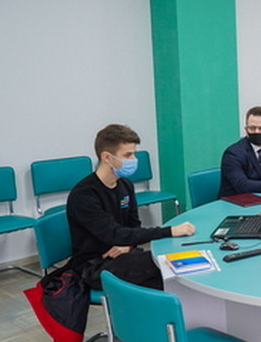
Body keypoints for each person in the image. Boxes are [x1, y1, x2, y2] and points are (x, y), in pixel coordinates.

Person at [67, 124, 195, 291]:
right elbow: (114, 233)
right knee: (166, 268)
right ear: (107, 157)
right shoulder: (84, 195)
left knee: (170, 270)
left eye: (134, 153)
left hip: (124, 253)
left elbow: (133, 225)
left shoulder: (125, 185)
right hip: (94, 266)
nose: (134, 160)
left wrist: (128, 245)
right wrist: (169, 231)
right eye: (127, 155)